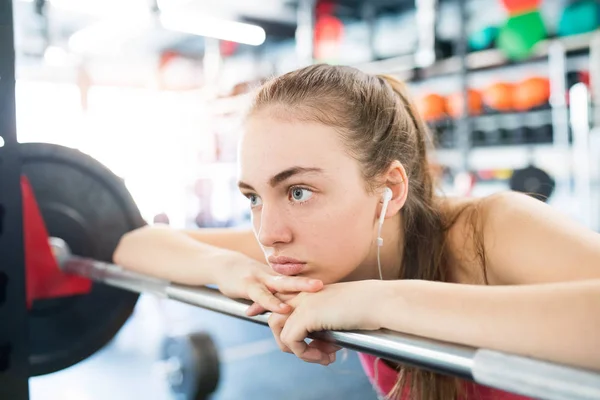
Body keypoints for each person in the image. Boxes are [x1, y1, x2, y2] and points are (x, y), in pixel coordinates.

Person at [113, 64, 600, 400]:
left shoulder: (490, 229)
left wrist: (379, 302)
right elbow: (135, 246)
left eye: (299, 191)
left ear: (389, 188)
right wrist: (229, 270)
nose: (268, 232)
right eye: (254, 196)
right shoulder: (299, 251)